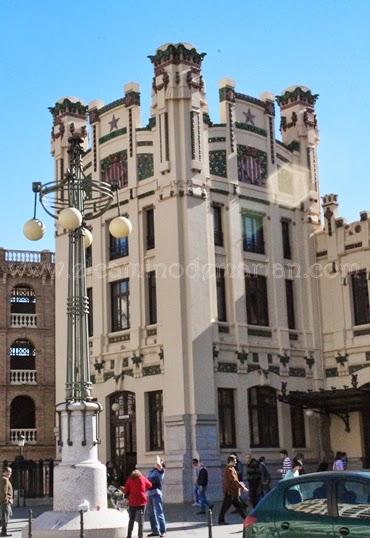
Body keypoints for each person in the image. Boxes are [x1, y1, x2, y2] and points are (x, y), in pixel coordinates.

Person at [122, 468, 152, 538]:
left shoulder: (130, 479)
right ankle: (140, 536)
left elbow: (126, 489)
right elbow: (150, 485)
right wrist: (144, 489)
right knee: (141, 521)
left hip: (132, 501)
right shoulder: (142, 478)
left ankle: (129, 535)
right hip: (142, 501)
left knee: (131, 519)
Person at [218, 455, 247, 525]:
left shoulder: (232, 468)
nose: (236, 462)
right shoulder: (229, 469)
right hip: (230, 492)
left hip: (233, 492)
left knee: (239, 507)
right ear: (231, 461)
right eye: (235, 461)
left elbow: (235, 480)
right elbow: (234, 480)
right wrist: (242, 487)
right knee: (225, 507)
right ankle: (221, 520)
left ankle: (247, 520)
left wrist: (240, 484)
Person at [147, 457, 166, 537]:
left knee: (159, 513)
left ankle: (162, 531)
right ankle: (155, 531)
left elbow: (159, 465)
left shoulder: (160, 471)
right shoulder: (151, 471)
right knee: (151, 514)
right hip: (149, 494)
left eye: (158, 462)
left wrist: (158, 459)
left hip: (156, 494)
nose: (156, 463)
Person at [0, 467, 13, 538]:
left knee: (7, 515)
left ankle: (3, 531)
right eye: (8, 472)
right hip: (5, 502)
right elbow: (3, 492)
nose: (10, 474)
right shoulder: (4, 480)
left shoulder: (5, 479)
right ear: (4, 472)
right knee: (5, 517)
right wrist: (8, 500)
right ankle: (3, 532)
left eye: (10, 472)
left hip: (5, 502)